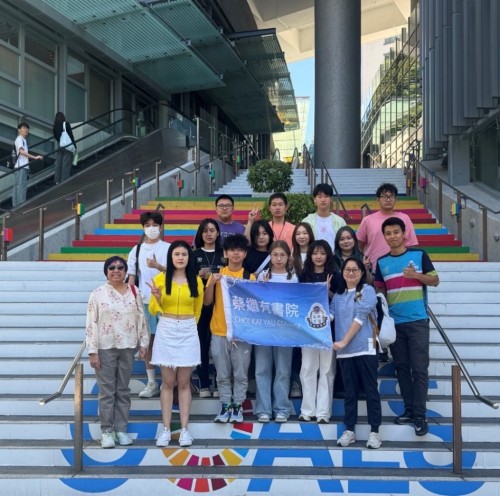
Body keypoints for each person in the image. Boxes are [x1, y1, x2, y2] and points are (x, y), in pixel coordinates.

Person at [374, 217, 439, 437]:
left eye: (396, 232)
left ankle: (420, 416)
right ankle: (409, 410)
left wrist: (415, 276)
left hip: (418, 321)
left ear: (404, 233)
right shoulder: (381, 262)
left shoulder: (419, 255)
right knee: (402, 367)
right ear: (384, 237)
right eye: (388, 233)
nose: (392, 236)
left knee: (419, 369)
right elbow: (380, 290)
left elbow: (435, 280)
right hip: (395, 323)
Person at [86, 256, 149, 449]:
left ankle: (121, 430)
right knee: (107, 392)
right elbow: (91, 323)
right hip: (105, 347)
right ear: (106, 271)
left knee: (123, 390)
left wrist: (144, 342)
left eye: (121, 267)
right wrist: (93, 351)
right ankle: (107, 431)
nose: (116, 270)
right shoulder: (97, 294)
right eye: (112, 267)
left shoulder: (133, 290)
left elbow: (141, 317)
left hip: (128, 346)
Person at [148, 241, 204, 448]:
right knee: (167, 382)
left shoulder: (196, 281)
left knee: (183, 382)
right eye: (176, 254)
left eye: (184, 254)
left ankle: (184, 430)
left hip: (188, 329)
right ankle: (165, 429)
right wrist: (157, 298)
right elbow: (154, 310)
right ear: (170, 257)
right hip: (167, 327)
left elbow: (198, 309)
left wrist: (189, 326)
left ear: (189, 258)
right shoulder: (160, 278)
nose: (180, 257)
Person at [331, 257, 382, 449]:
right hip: (345, 353)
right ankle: (349, 430)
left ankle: (375, 432)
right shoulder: (338, 295)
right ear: (342, 273)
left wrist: (344, 340)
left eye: (355, 270)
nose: (351, 273)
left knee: (370, 390)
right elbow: (329, 315)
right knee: (350, 393)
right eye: (347, 269)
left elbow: (360, 318)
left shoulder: (367, 291)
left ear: (362, 273)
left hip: (365, 348)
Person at [203, 234, 255, 423]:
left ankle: (238, 406)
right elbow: (207, 302)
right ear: (225, 253)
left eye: (240, 250)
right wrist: (212, 283)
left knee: (241, 373)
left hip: (241, 335)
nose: (236, 253)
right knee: (222, 373)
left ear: (245, 254)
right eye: (232, 249)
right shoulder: (218, 275)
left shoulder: (250, 277)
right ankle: (225, 406)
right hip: (219, 331)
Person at [127, 212, 170, 399]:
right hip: (145, 301)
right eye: (147, 225)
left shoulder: (169, 248)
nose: (151, 228)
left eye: (155, 224)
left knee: (167, 340)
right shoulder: (136, 250)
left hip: (167, 301)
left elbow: (179, 271)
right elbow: (131, 278)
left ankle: (169, 381)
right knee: (148, 341)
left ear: (161, 227)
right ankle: (152, 381)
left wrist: (158, 266)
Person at [255, 241, 297, 423]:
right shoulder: (262, 276)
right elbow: (254, 303)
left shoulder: (293, 278)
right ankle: (263, 409)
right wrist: (261, 288)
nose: (279, 259)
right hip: (264, 331)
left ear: (288, 257)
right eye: (275, 255)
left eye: (282, 255)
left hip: (285, 332)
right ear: (270, 257)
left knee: (282, 370)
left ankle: (281, 408)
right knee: (262, 369)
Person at [298, 240, 339, 423]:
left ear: (328, 255)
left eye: (322, 253)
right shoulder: (304, 275)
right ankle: (307, 410)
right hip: (308, 330)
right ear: (310, 255)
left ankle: (323, 412)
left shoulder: (335, 275)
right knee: (307, 368)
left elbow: (339, 303)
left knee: (327, 370)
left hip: (329, 330)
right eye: (315, 253)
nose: (319, 257)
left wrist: (327, 291)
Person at [192, 219, 225, 398]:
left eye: (212, 230)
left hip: (220, 304)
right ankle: (204, 383)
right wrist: (197, 275)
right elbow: (188, 277)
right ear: (201, 234)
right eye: (205, 231)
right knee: (202, 343)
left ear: (218, 233)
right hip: (200, 305)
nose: (209, 233)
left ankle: (221, 382)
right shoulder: (194, 254)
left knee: (219, 346)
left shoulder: (224, 254)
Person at [356, 183, 418, 270]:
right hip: (374, 268)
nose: (388, 200)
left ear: (396, 199)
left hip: (399, 268)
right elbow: (359, 245)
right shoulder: (367, 220)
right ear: (378, 199)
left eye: (391, 196)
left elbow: (411, 245)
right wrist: (362, 262)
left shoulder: (405, 218)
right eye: (384, 197)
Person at [289, 222, 315, 398]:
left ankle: (311, 383)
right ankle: (296, 382)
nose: (302, 236)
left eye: (305, 233)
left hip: (313, 309)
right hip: (295, 310)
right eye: (298, 234)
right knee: (296, 350)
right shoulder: (291, 258)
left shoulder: (318, 254)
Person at [302, 183, 347, 249]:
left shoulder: (340, 222)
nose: (323, 200)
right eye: (320, 197)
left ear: (331, 199)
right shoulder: (307, 221)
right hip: (314, 257)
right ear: (314, 200)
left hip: (335, 258)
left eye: (326, 196)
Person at [12, 122, 43, 208]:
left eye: (27, 128)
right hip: (20, 166)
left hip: (22, 166)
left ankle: (16, 204)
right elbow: (21, 152)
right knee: (21, 186)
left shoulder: (24, 140)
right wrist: (35, 157)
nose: (26, 130)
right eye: (24, 128)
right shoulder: (19, 139)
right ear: (19, 130)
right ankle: (20, 205)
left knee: (18, 185)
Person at [52, 112, 77, 184]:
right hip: (67, 146)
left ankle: (57, 180)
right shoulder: (66, 124)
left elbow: (56, 137)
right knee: (66, 163)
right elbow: (70, 135)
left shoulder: (55, 127)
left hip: (60, 146)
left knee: (58, 163)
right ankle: (64, 180)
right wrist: (74, 145)